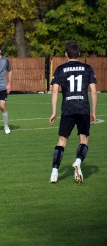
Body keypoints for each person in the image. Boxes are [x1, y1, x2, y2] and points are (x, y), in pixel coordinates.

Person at [48, 41, 97, 184]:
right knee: (84, 139)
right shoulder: (87, 68)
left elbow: (55, 90)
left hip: (67, 108)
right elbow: (93, 91)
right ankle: (77, 161)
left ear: (65, 54)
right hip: (83, 108)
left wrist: (54, 111)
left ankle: (55, 172)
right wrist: (93, 111)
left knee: (62, 141)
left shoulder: (60, 69)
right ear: (79, 54)